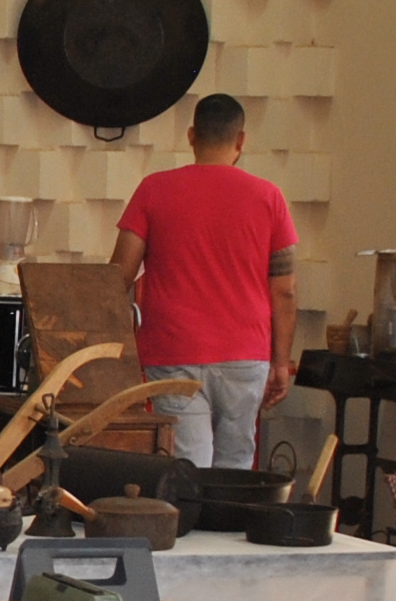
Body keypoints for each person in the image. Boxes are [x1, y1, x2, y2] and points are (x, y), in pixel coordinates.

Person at [112, 92, 297, 468]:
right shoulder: (270, 198)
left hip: (174, 351)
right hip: (245, 353)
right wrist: (280, 362)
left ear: (192, 135)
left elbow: (118, 275)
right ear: (241, 140)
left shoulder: (153, 190)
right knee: (234, 468)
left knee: (188, 467)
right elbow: (286, 291)